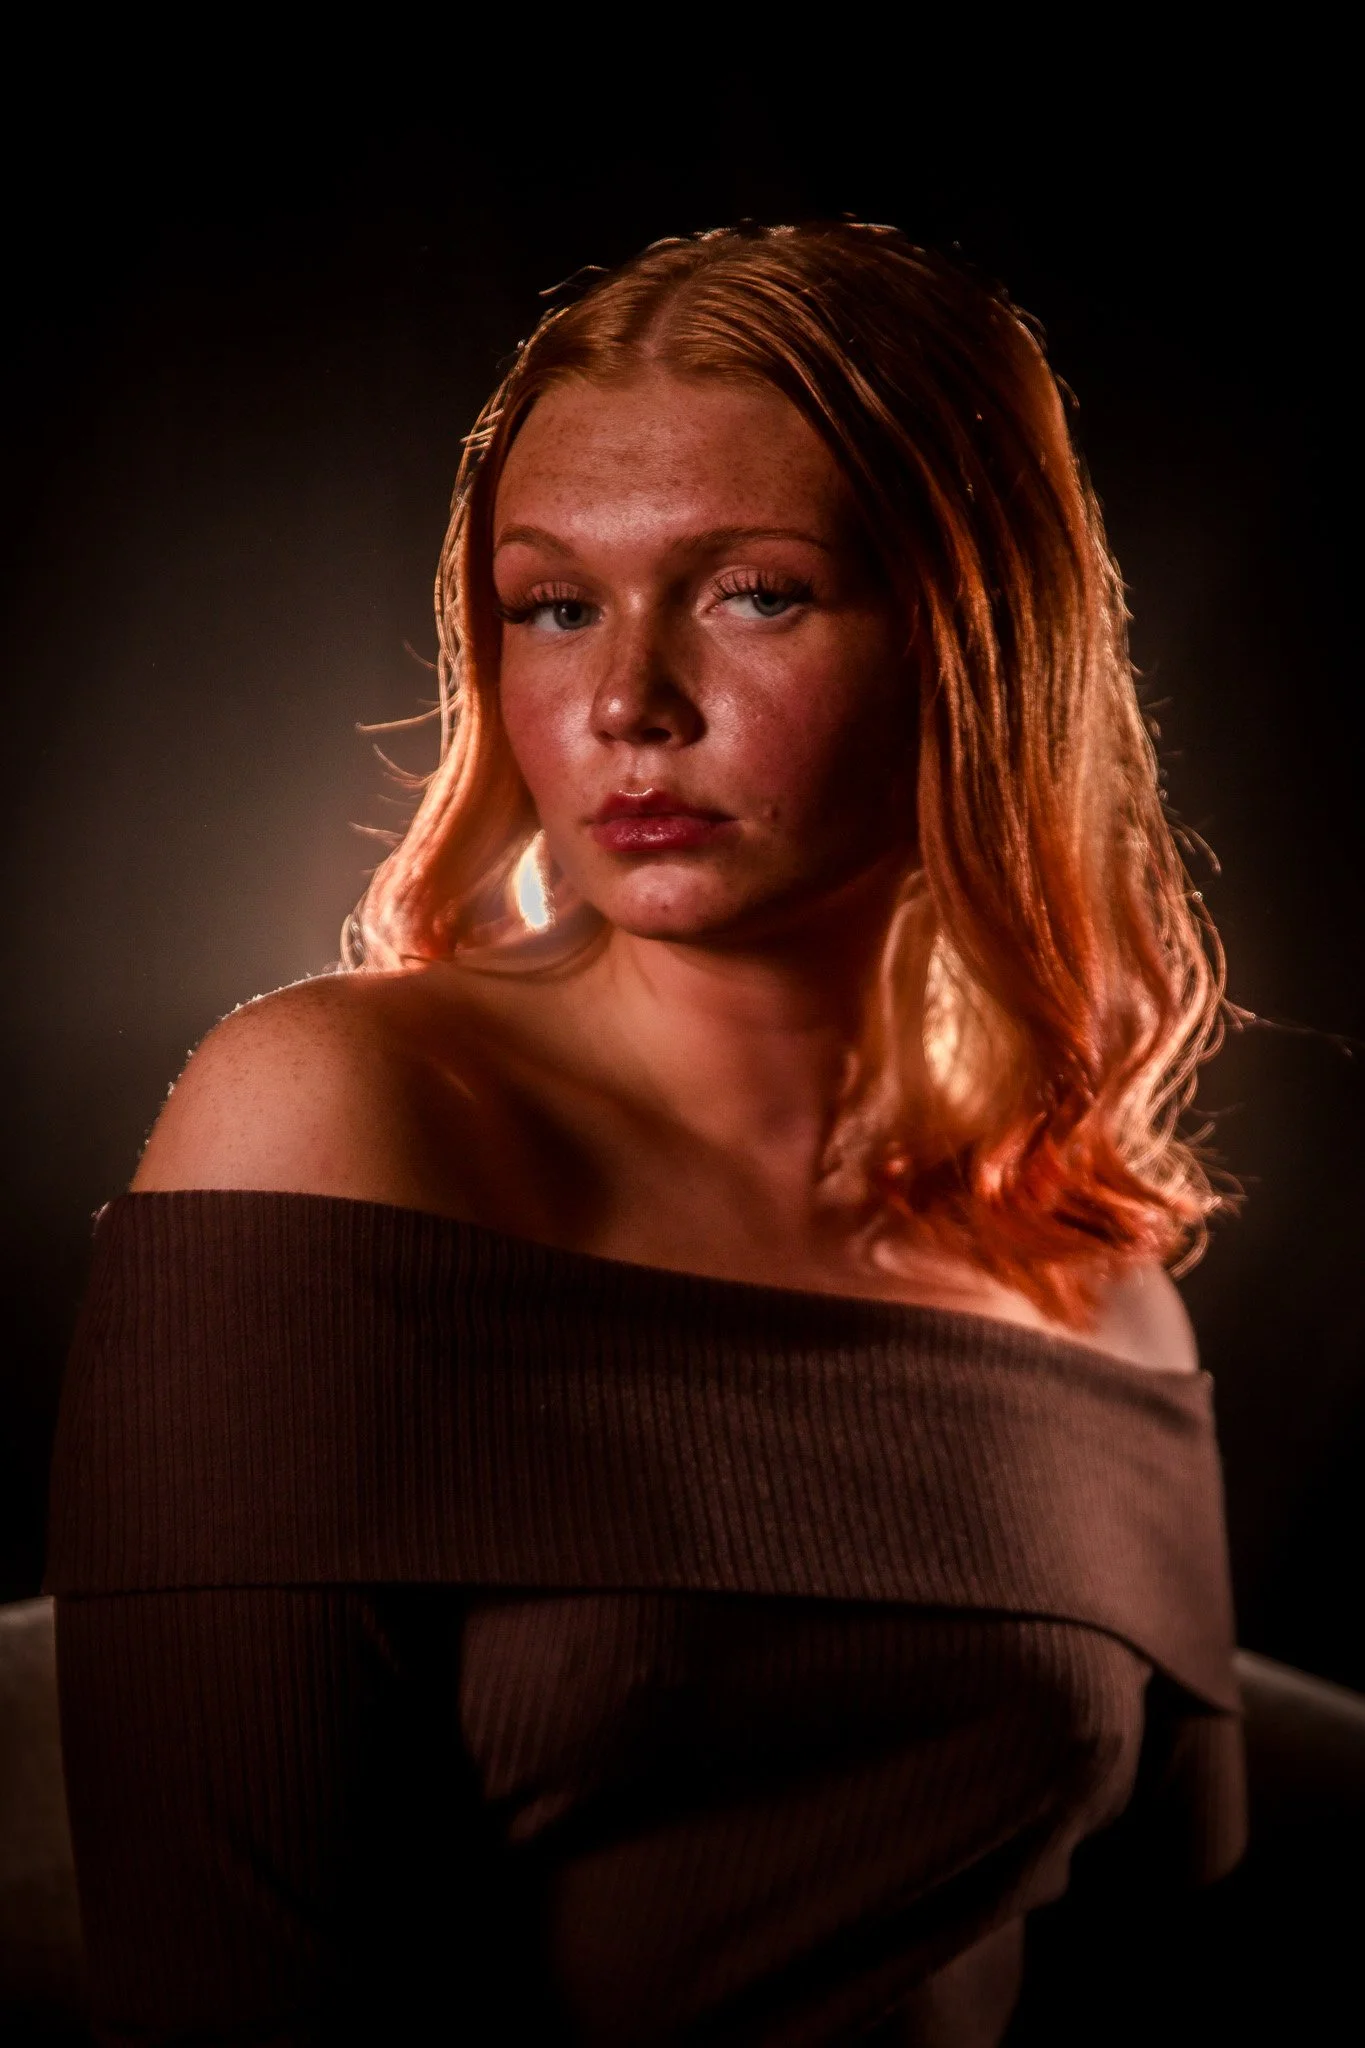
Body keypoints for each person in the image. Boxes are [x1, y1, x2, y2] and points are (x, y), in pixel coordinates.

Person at [43, 222, 1246, 2046]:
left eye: (753, 591)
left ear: (981, 636)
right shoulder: (337, 1120)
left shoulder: (1095, 1281)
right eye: (553, 605)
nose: (626, 705)